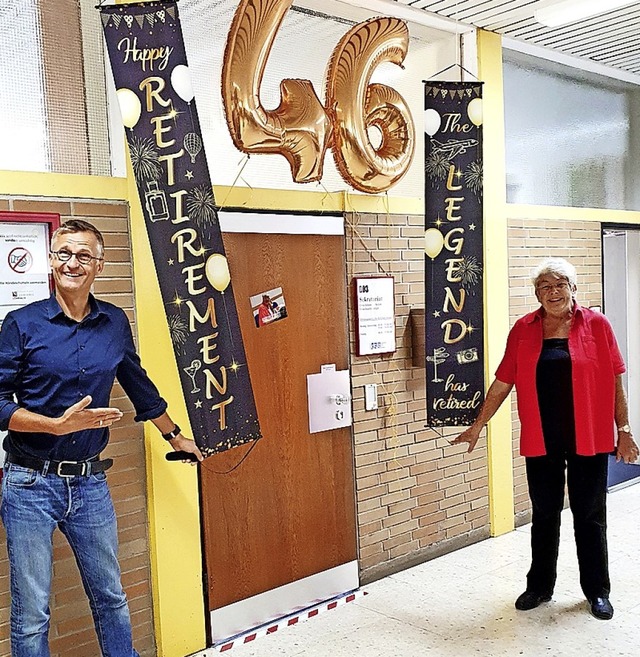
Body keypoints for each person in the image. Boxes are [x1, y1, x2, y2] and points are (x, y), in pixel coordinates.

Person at [0, 219, 203, 656]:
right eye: (64, 254)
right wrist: (53, 425)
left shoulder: (113, 321)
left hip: (90, 484)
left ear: (99, 264)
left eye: (84, 256)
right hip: (29, 484)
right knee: (32, 611)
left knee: (111, 597)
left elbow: (136, 382)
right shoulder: (21, 324)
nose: (73, 263)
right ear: (53, 260)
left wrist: (174, 436)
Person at [452, 257, 639, 621]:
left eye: (559, 285)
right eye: (544, 287)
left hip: (589, 436)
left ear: (573, 288)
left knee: (590, 516)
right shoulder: (523, 329)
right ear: (537, 293)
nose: (552, 292)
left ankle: (597, 591)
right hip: (542, 438)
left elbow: (616, 377)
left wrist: (625, 429)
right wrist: (479, 424)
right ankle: (540, 586)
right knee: (544, 515)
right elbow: (504, 381)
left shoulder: (596, 325)